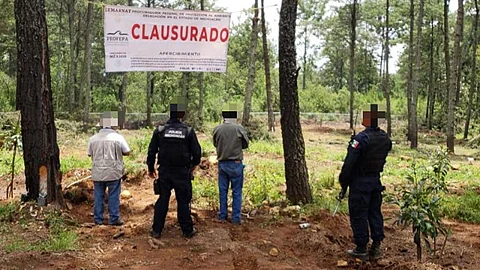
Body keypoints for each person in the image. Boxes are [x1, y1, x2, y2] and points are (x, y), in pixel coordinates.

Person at [338, 104, 392, 260]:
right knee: (374, 213)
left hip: (360, 183)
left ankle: (361, 248)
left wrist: (343, 182)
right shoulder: (385, 138)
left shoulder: (360, 139)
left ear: (367, 120)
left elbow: (349, 164)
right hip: (375, 182)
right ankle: (376, 247)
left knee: (359, 214)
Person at [147, 97, 202, 239]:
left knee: (163, 199)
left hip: (165, 171)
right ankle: (187, 231)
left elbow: (152, 151)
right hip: (182, 172)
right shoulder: (188, 131)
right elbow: (197, 153)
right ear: (182, 114)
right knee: (183, 201)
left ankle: (156, 230)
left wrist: (150, 168)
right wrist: (192, 167)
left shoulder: (160, 130)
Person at [87, 112, 130, 226]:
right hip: (114, 171)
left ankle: (98, 219)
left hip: (98, 172)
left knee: (98, 196)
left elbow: (90, 154)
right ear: (113, 125)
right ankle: (114, 218)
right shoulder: (118, 138)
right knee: (114, 195)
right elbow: (127, 151)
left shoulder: (93, 139)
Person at [213, 107, 249, 224]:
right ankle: (236, 218)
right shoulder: (239, 129)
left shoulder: (217, 129)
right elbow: (245, 144)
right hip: (236, 164)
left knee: (223, 191)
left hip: (222, 163)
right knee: (237, 191)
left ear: (223, 116)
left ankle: (222, 216)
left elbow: (215, 143)